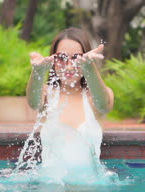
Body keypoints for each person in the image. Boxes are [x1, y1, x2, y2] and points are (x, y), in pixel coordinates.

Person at [24, 27, 114, 183]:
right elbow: (33, 102)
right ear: (52, 59)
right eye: (62, 58)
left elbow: (104, 103)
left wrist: (89, 69)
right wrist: (38, 72)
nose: (70, 66)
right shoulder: (47, 96)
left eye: (77, 58)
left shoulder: (94, 97)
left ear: (86, 58)